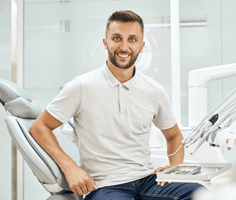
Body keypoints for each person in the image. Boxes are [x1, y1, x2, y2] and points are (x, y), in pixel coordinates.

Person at [30, 10, 202, 200]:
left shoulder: (154, 90)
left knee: (200, 194)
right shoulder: (81, 87)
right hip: (105, 187)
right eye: (117, 38)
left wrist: (174, 168)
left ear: (142, 46)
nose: (124, 46)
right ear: (105, 43)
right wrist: (70, 167)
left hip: (147, 180)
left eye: (132, 39)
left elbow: (174, 136)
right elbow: (40, 126)